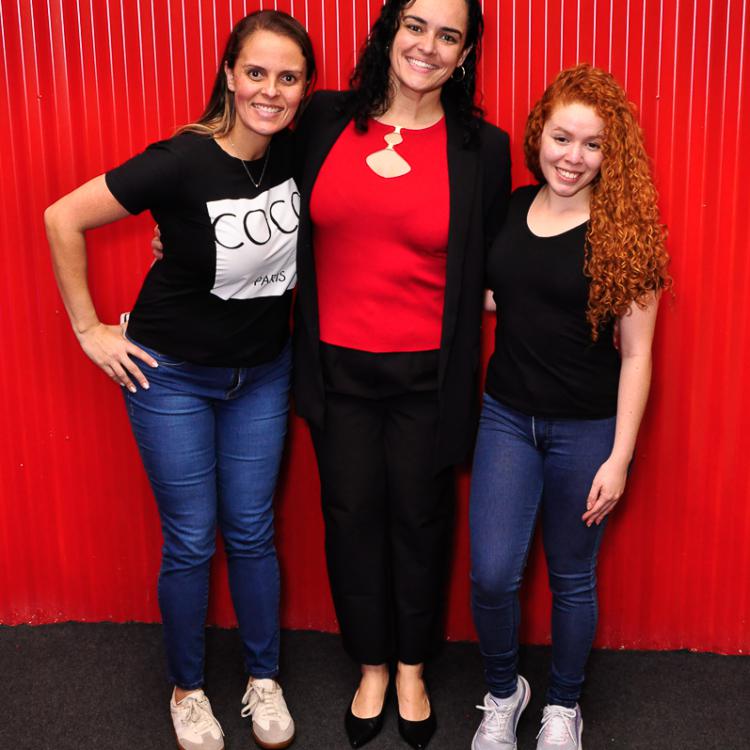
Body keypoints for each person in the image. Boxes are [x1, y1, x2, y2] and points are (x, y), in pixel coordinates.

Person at [44, 11, 315, 750]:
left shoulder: (301, 151)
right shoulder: (179, 161)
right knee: (192, 539)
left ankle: (263, 678)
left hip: (263, 374)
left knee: (252, 531)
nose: (270, 90)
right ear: (229, 74)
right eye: (255, 72)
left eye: (288, 77)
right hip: (173, 379)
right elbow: (62, 218)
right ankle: (188, 690)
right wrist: (90, 330)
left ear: (303, 90)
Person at [291, 1, 511, 747]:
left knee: (421, 521)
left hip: (428, 376)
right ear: (390, 30)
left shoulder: (482, 147)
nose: (428, 46)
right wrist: (190, 232)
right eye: (416, 26)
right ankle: (372, 666)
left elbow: (497, 249)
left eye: (449, 35)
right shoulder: (323, 120)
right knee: (351, 517)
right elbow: (262, 190)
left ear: (465, 52)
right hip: (336, 369)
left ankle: (413, 666)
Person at [469, 64, 671, 750]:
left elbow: (638, 354)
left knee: (572, 577)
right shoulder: (511, 208)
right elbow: (497, 292)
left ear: (611, 155)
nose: (573, 157)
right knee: (492, 575)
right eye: (562, 138)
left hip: (587, 428)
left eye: (592, 145)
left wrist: (619, 458)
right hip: (506, 419)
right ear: (539, 135)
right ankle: (504, 694)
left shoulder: (625, 234)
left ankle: (562, 705)